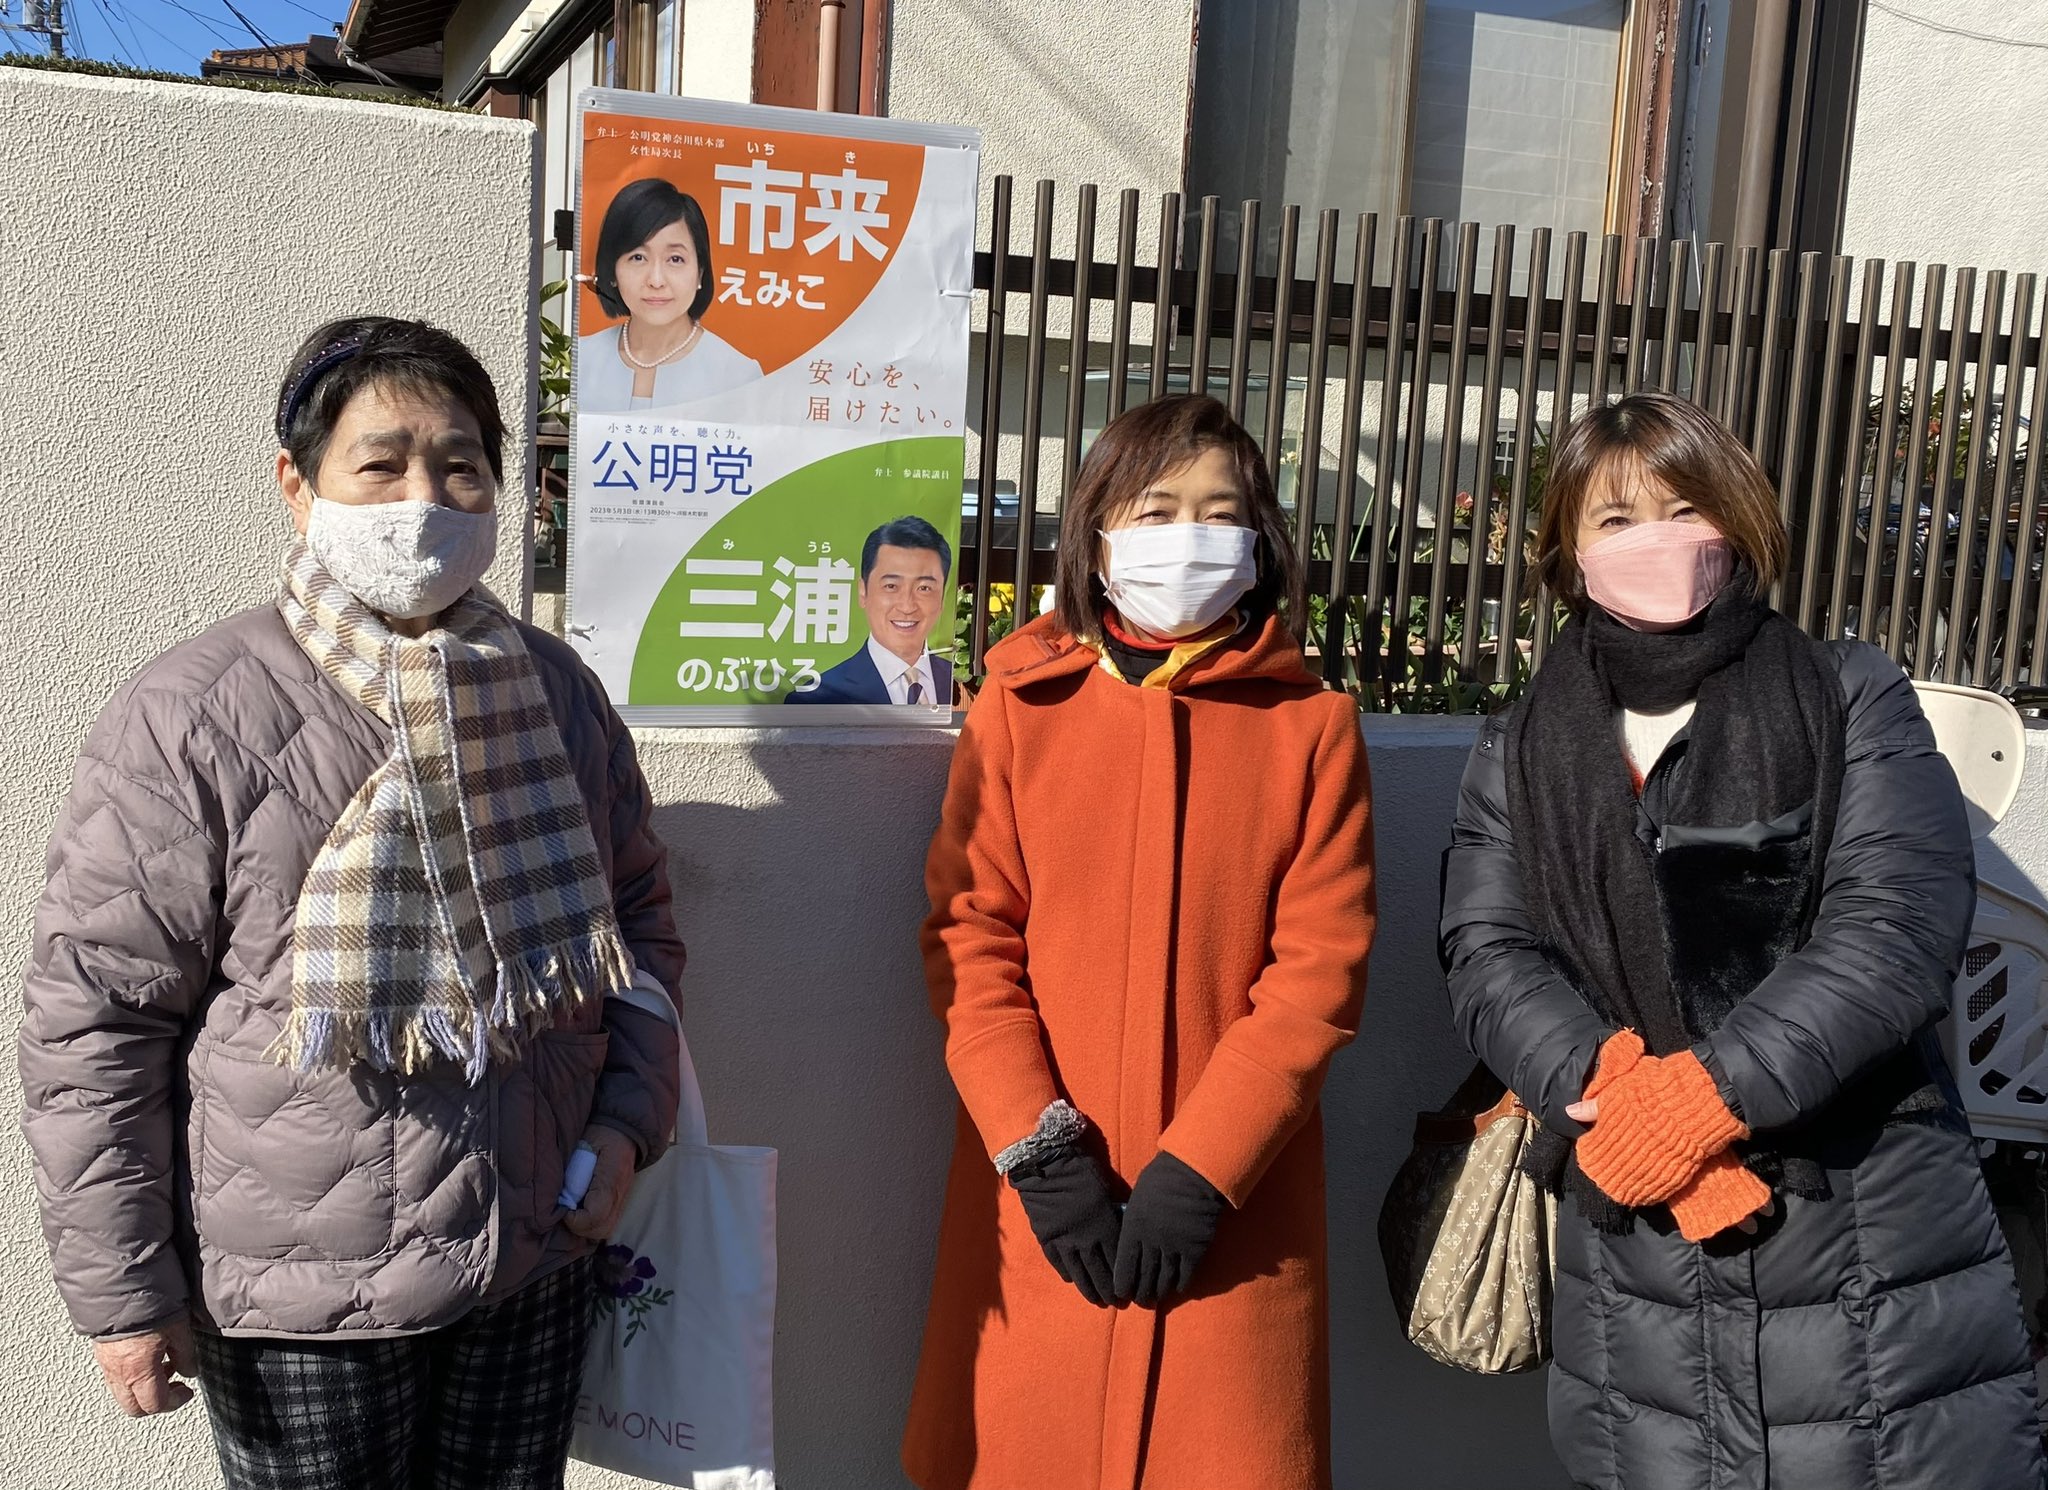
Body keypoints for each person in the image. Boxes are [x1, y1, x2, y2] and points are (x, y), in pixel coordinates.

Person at [20, 317, 686, 1490]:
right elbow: (96, 1017)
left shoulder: (553, 691)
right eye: (381, 463)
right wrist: (124, 1291)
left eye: (460, 464)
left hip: (529, 1260)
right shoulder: (196, 712)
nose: (423, 497)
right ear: (298, 483)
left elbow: (635, 926)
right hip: (297, 1308)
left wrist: (624, 1130)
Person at [1439, 390, 2045, 1490]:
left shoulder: (1845, 692)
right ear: (1566, 551)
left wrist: (1706, 1097)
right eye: (1613, 519)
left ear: (1738, 521)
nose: (1652, 540)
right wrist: (1610, 1083)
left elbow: (1894, 923)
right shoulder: (1520, 736)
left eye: (1681, 506)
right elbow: (1486, 949)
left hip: (1857, 1219)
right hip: (1628, 1226)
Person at [902, 394, 1376, 1490]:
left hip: (1226, 1210)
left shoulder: (1309, 729)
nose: (1186, 535)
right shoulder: (1021, 707)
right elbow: (969, 935)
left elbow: (1317, 974)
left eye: (1217, 512)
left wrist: (1200, 1172)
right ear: (1098, 530)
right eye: (1155, 508)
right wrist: (1039, 1147)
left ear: (1257, 540)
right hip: (1044, 1206)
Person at [578, 177, 763, 413]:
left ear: (700, 273)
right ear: (612, 270)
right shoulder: (582, 359)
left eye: (675, 259)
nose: (656, 280)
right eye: (638, 257)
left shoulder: (738, 375)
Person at [787, 515, 955, 705]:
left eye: (924, 588)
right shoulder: (817, 697)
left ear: (942, 598)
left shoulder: (956, 683)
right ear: (863, 592)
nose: (907, 606)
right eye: (891, 586)